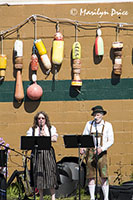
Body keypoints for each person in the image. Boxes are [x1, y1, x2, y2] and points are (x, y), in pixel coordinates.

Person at [80, 105, 114, 200]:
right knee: (90, 175)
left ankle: (106, 197)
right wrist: (82, 147)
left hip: (102, 153)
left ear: (102, 115)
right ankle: (92, 197)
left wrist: (102, 148)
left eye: (98, 115)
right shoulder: (89, 124)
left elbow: (111, 140)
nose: (96, 117)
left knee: (103, 176)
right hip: (90, 152)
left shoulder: (107, 125)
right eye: (94, 115)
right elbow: (84, 137)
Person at [26, 111, 58, 200]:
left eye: (42, 118)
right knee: (39, 174)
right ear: (36, 120)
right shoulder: (33, 129)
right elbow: (28, 141)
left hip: (48, 152)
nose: (41, 120)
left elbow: (55, 139)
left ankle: (53, 196)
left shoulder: (50, 128)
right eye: (39, 118)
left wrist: (46, 136)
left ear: (45, 119)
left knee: (50, 173)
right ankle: (41, 197)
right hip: (37, 153)